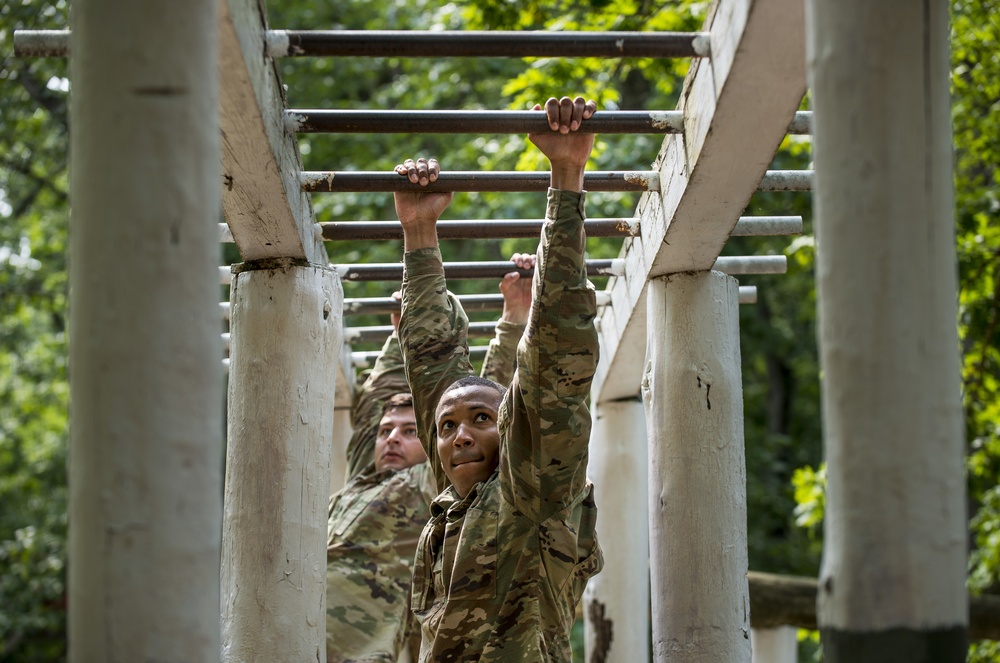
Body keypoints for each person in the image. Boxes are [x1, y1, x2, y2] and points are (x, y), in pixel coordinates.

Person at [394, 95, 603, 662]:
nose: (459, 435)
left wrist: (566, 177)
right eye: (447, 428)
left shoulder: (531, 497)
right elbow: (432, 370)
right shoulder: (450, 507)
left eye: (482, 421)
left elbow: (555, 355)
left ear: (511, 428)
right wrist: (418, 235)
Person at [325, 264, 533, 663]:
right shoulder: (362, 479)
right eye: (386, 431)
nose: (390, 439)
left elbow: (480, 406)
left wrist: (511, 323)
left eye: (409, 432)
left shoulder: (430, 484)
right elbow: (377, 399)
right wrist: (401, 332)